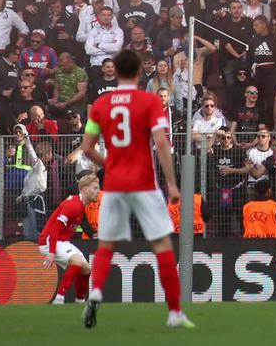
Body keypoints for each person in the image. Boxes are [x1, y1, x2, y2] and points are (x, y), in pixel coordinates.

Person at [79, 49, 193, 329]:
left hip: (114, 184)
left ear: (114, 71)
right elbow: (162, 143)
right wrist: (171, 183)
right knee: (162, 245)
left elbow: (86, 148)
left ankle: (95, 293)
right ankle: (175, 313)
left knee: (106, 244)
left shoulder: (100, 105)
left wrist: (110, 163)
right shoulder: (150, 101)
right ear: (141, 72)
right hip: (143, 182)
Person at [39, 172, 100, 304]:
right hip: (49, 241)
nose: (98, 191)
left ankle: (80, 301)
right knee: (77, 262)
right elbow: (55, 228)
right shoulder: (73, 205)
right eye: (95, 188)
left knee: (86, 269)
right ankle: (59, 300)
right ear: (84, 189)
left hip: (62, 241)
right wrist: (51, 252)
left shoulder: (80, 205)